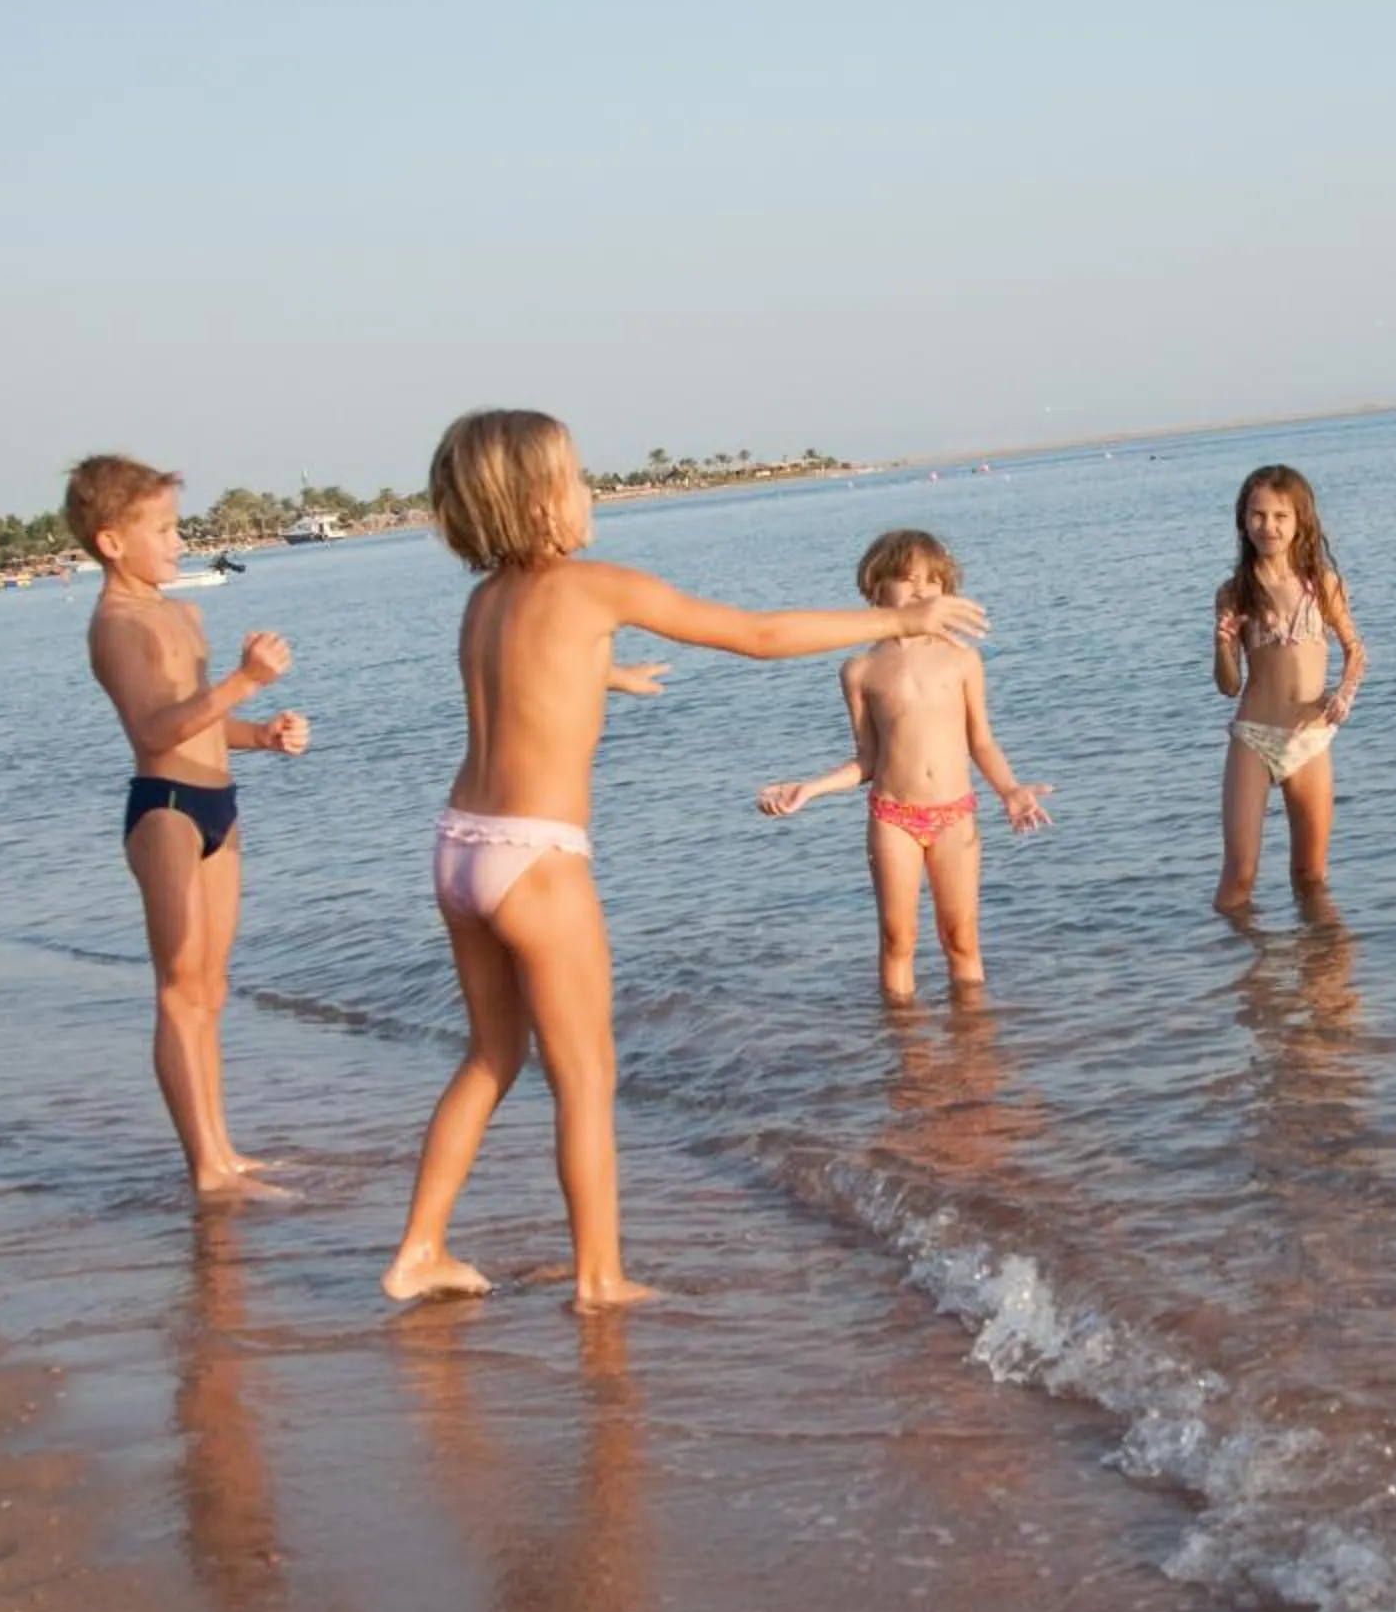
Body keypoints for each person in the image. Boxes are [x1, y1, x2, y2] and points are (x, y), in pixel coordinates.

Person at [384, 410, 986, 1309]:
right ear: (542, 501)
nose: (589, 492)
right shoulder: (593, 586)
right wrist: (903, 620)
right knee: (587, 1077)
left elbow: (524, 684)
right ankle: (600, 1278)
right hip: (538, 861)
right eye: (578, 479)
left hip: (460, 845)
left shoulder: (484, 603)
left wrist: (607, 675)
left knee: (491, 1056)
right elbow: (756, 634)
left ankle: (420, 1248)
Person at [67, 453, 310, 1201]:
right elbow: (153, 731)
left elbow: (200, 728)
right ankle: (205, 1168)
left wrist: (259, 731)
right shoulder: (117, 625)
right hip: (167, 810)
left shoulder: (183, 612)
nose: (179, 542)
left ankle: (225, 1152)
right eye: (163, 529)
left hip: (218, 804)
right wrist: (245, 680)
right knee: (179, 989)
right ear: (112, 541)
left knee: (212, 987)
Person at [754, 530, 1053, 1001]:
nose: (921, 591)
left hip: (955, 814)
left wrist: (1010, 790)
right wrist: (808, 789)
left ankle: (975, 1047)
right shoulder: (860, 670)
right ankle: (904, 1049)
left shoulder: (961, 659)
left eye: (933, 582)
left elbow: (982, 741)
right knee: (898, 941)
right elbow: (867, 761)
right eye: (908, 580)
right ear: (876, 589)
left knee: (961, 938)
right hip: (892, 817)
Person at [1213, 465, 1366, 912]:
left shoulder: (1324, 585)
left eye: (1280, 516)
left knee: (1311, 875)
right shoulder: (1234, 591)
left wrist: (1344, 694)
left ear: (1300, 520)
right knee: (1240, 876)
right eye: (1258, 515)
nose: (1269, 526)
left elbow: (1356, 650)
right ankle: (1242, 970)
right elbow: (1229, 685)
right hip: (1254, 739)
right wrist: (1222, 646)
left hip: (1312, 739)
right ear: (1244, 520)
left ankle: (1320, 974)